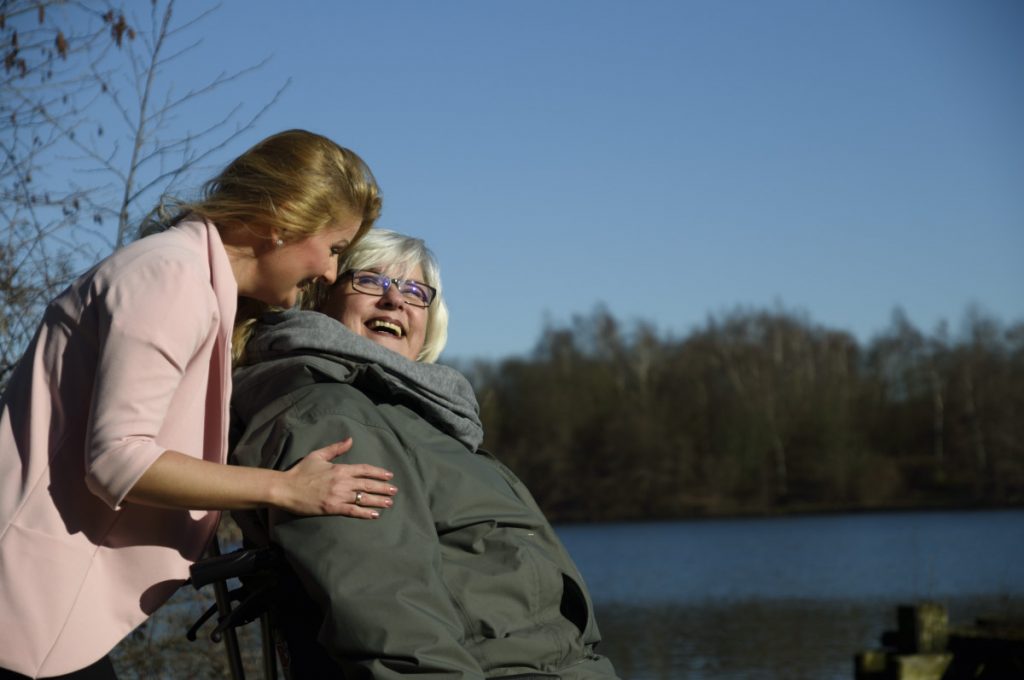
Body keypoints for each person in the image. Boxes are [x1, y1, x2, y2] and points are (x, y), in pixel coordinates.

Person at [0, 130, 399, 679]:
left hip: (37, 603)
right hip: (24, 609)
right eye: (333, 249)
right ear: (281, 218)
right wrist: (285, 487)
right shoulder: (172, 276)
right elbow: (119, 459)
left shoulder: (189, 280)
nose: (330, 272)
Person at [229, 229, 620, 679]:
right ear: (319, 297)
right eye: (370, 281)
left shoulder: (423, 420)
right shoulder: (334, 414)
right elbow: (386, 618)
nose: (395, 301)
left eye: (415, 291)